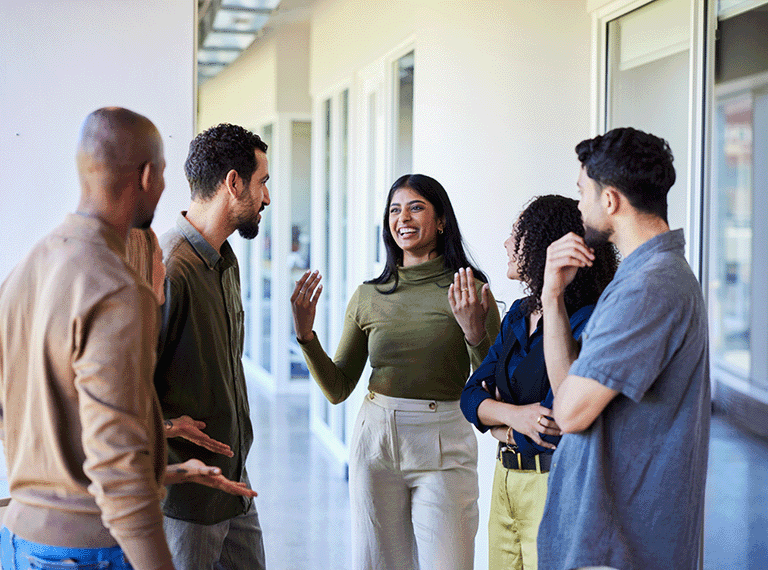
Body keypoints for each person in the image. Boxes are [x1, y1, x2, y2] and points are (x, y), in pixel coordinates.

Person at [291, 173, 501, 570]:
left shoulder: (471, 289)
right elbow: (338, 387)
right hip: (375, 441)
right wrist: (306, 336)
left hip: (444, 440)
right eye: (394, 209)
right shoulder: (369, 295)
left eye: (416, 206)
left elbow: (492, 387)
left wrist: (474, 332)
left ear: (441, 221)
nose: (403, 217)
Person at [0, 107, 173, 570]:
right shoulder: (116, 289)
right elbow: (118, 468)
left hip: (19, 543)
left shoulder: (25, 269)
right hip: (86, 553)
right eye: (163, 175)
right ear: (147, 175)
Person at [537, 127, 710, 570]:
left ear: (610, 200)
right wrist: (552, 296)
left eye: (582, 192)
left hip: (619, 548)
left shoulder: (650, 288)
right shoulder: (640, 278)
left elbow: (570, 413)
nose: (578, 206)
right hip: (607, 539)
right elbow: (567, 390)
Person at [460, 195, 618, 570]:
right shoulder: (518, 312)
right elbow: (468, 396)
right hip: (505, 480)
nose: (506, 245)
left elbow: (553, 423)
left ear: (544, 246)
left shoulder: (586, 321)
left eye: (517, 235)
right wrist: (513, 421)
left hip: (550, 484)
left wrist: (496, 416)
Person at [153, 123, 269, 570]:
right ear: (233, 183)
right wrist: (163, 426)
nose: (267, 199)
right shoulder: (169, 269)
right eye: (262, 183)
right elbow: (120, 387)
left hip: (235, 487)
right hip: (186, 503)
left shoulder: (225, 262)